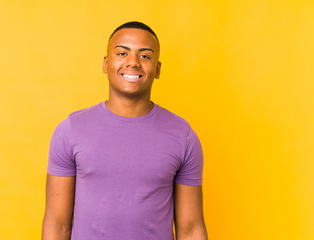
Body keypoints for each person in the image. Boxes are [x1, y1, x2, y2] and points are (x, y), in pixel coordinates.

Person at [42, 21, 208, 240]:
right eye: (122, 53)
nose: (133, 63)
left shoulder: (183, 136)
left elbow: (191, 229)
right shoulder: (70, 130)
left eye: (145, 56)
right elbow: (57, 224)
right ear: (106, 63)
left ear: (157, 69)